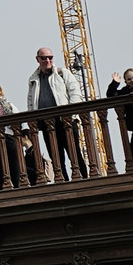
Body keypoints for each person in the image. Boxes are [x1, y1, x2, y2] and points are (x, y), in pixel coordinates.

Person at [26, 47, 88, 180]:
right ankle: (63, 182)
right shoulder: (33, 79)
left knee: (75, 154)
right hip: (47, 124)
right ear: (38, 59)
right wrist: (34, 120)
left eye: (50, 57)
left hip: (66, 121)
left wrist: (70, 114)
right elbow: (31, 102)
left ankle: (84, 180)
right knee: (56, 158)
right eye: (44, 58)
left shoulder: (62, 73)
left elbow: (75, 93)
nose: (48, 60)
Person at [106, 68, 133, 171]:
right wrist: (115, 83)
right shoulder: (125, 91)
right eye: (129, 79)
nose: (132, 81)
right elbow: (111, 95)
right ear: (125, 81)